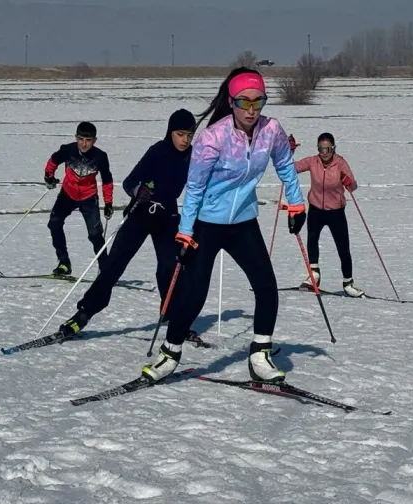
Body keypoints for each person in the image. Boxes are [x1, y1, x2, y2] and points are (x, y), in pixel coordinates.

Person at [141, 67, 306, 384]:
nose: (252, 109)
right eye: (244, 102)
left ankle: (260, 354)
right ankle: (170, 353)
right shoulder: (213, 137)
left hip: (244, 223)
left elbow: (285, 164)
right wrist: (185, 232)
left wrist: (297, 204)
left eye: (259, 101)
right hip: (207, 224)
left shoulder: (271, 131)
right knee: (194, 295)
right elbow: (195, 188)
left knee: (267, 288)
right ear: (231, 102)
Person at [56, 109, 197, 337]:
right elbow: (130, 181)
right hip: (140, 213)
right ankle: (83, 314)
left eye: (189, 135)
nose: (185, 140)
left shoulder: (193, 156)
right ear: (170, 132)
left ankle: (175, 318)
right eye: (180, 134)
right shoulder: (157, 151)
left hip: (167, 215)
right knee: (114, 266)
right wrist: (138, 190)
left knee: (170, 268)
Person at [289, 132, 364, 297]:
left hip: (336, 212)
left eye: (328, 149)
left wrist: (348, 182)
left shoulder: (340, 163)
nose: (324, 153)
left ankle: (348, 283)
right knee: (312, 240)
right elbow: (290, 169)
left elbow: (353, 186)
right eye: (321, 149)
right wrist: (288, 153)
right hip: (316, 209)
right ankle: (314, 275)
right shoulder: (312, 161)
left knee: (343, 247)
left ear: (333, 148)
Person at [43, 121, 113, 275]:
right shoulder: (68, 150)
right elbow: (54, 160)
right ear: (76, 138)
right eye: (81, 139)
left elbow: (107, 180)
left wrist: (108, 203)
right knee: (54, 224)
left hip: (89, 197)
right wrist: (49, 176)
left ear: (94, 141)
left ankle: (106, 269)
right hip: (68, 194)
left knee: (95, 235)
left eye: (88, 140)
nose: (84, 144)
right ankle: (64, 263)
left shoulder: (100, 157)